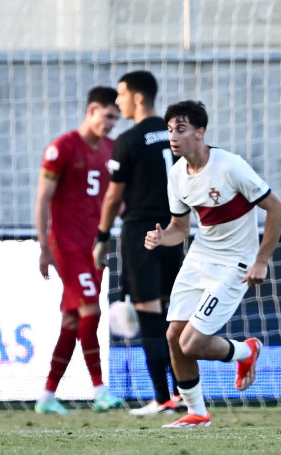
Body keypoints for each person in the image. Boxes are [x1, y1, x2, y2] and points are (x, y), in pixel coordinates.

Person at [146, 100, 281, 428]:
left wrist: (261, 261)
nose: (173, 136)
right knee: (173, 336)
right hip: (199, 258)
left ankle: (245, 351)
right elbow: (179, 229)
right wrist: (158, 238)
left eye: (180, 129)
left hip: (235, 264)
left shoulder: (230, 166)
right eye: (169, 130)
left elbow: (277, 209)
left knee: (191, 343)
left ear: (200, 132)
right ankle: (197, 413)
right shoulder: (177, 174)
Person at [93, 70, 186, 416]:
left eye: (121, 94)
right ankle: (182, 394)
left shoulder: (129, 139)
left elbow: (113, 197)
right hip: (174, 231)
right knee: (171, 314)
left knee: (148, 314)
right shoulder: (176, 136)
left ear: (137, 97)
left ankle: (162, 397)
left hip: (140, 234)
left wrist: (101, 238)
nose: (117, 101)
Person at [33, 88, 126, 414]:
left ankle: (46, 397)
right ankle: (100, 389)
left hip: (95, 246)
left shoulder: (112, 150)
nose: (112, 123)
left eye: (116, 118)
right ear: (92, 110)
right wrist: (44, 247)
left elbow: (116, 198)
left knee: (72, 321)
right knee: (91, 311)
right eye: (108, 116)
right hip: (66, 245)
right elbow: (43, 198)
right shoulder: (62, 148)